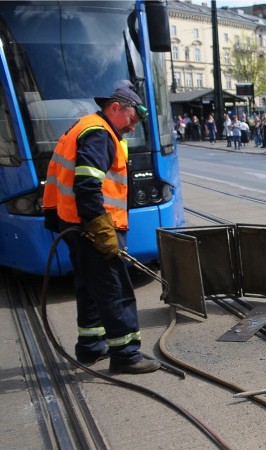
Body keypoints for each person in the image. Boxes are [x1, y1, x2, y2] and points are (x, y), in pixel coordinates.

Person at [42, 81, 160, 374]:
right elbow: (87, 185)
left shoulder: (83, 126)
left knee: (89, 287)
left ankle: (91, 346)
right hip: (94, 226)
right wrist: (102, 230)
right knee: (115, 289)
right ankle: (126, 355)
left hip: (74, 224)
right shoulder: (99, 134)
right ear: (116, 107)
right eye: (132, 120)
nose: (133, 128)